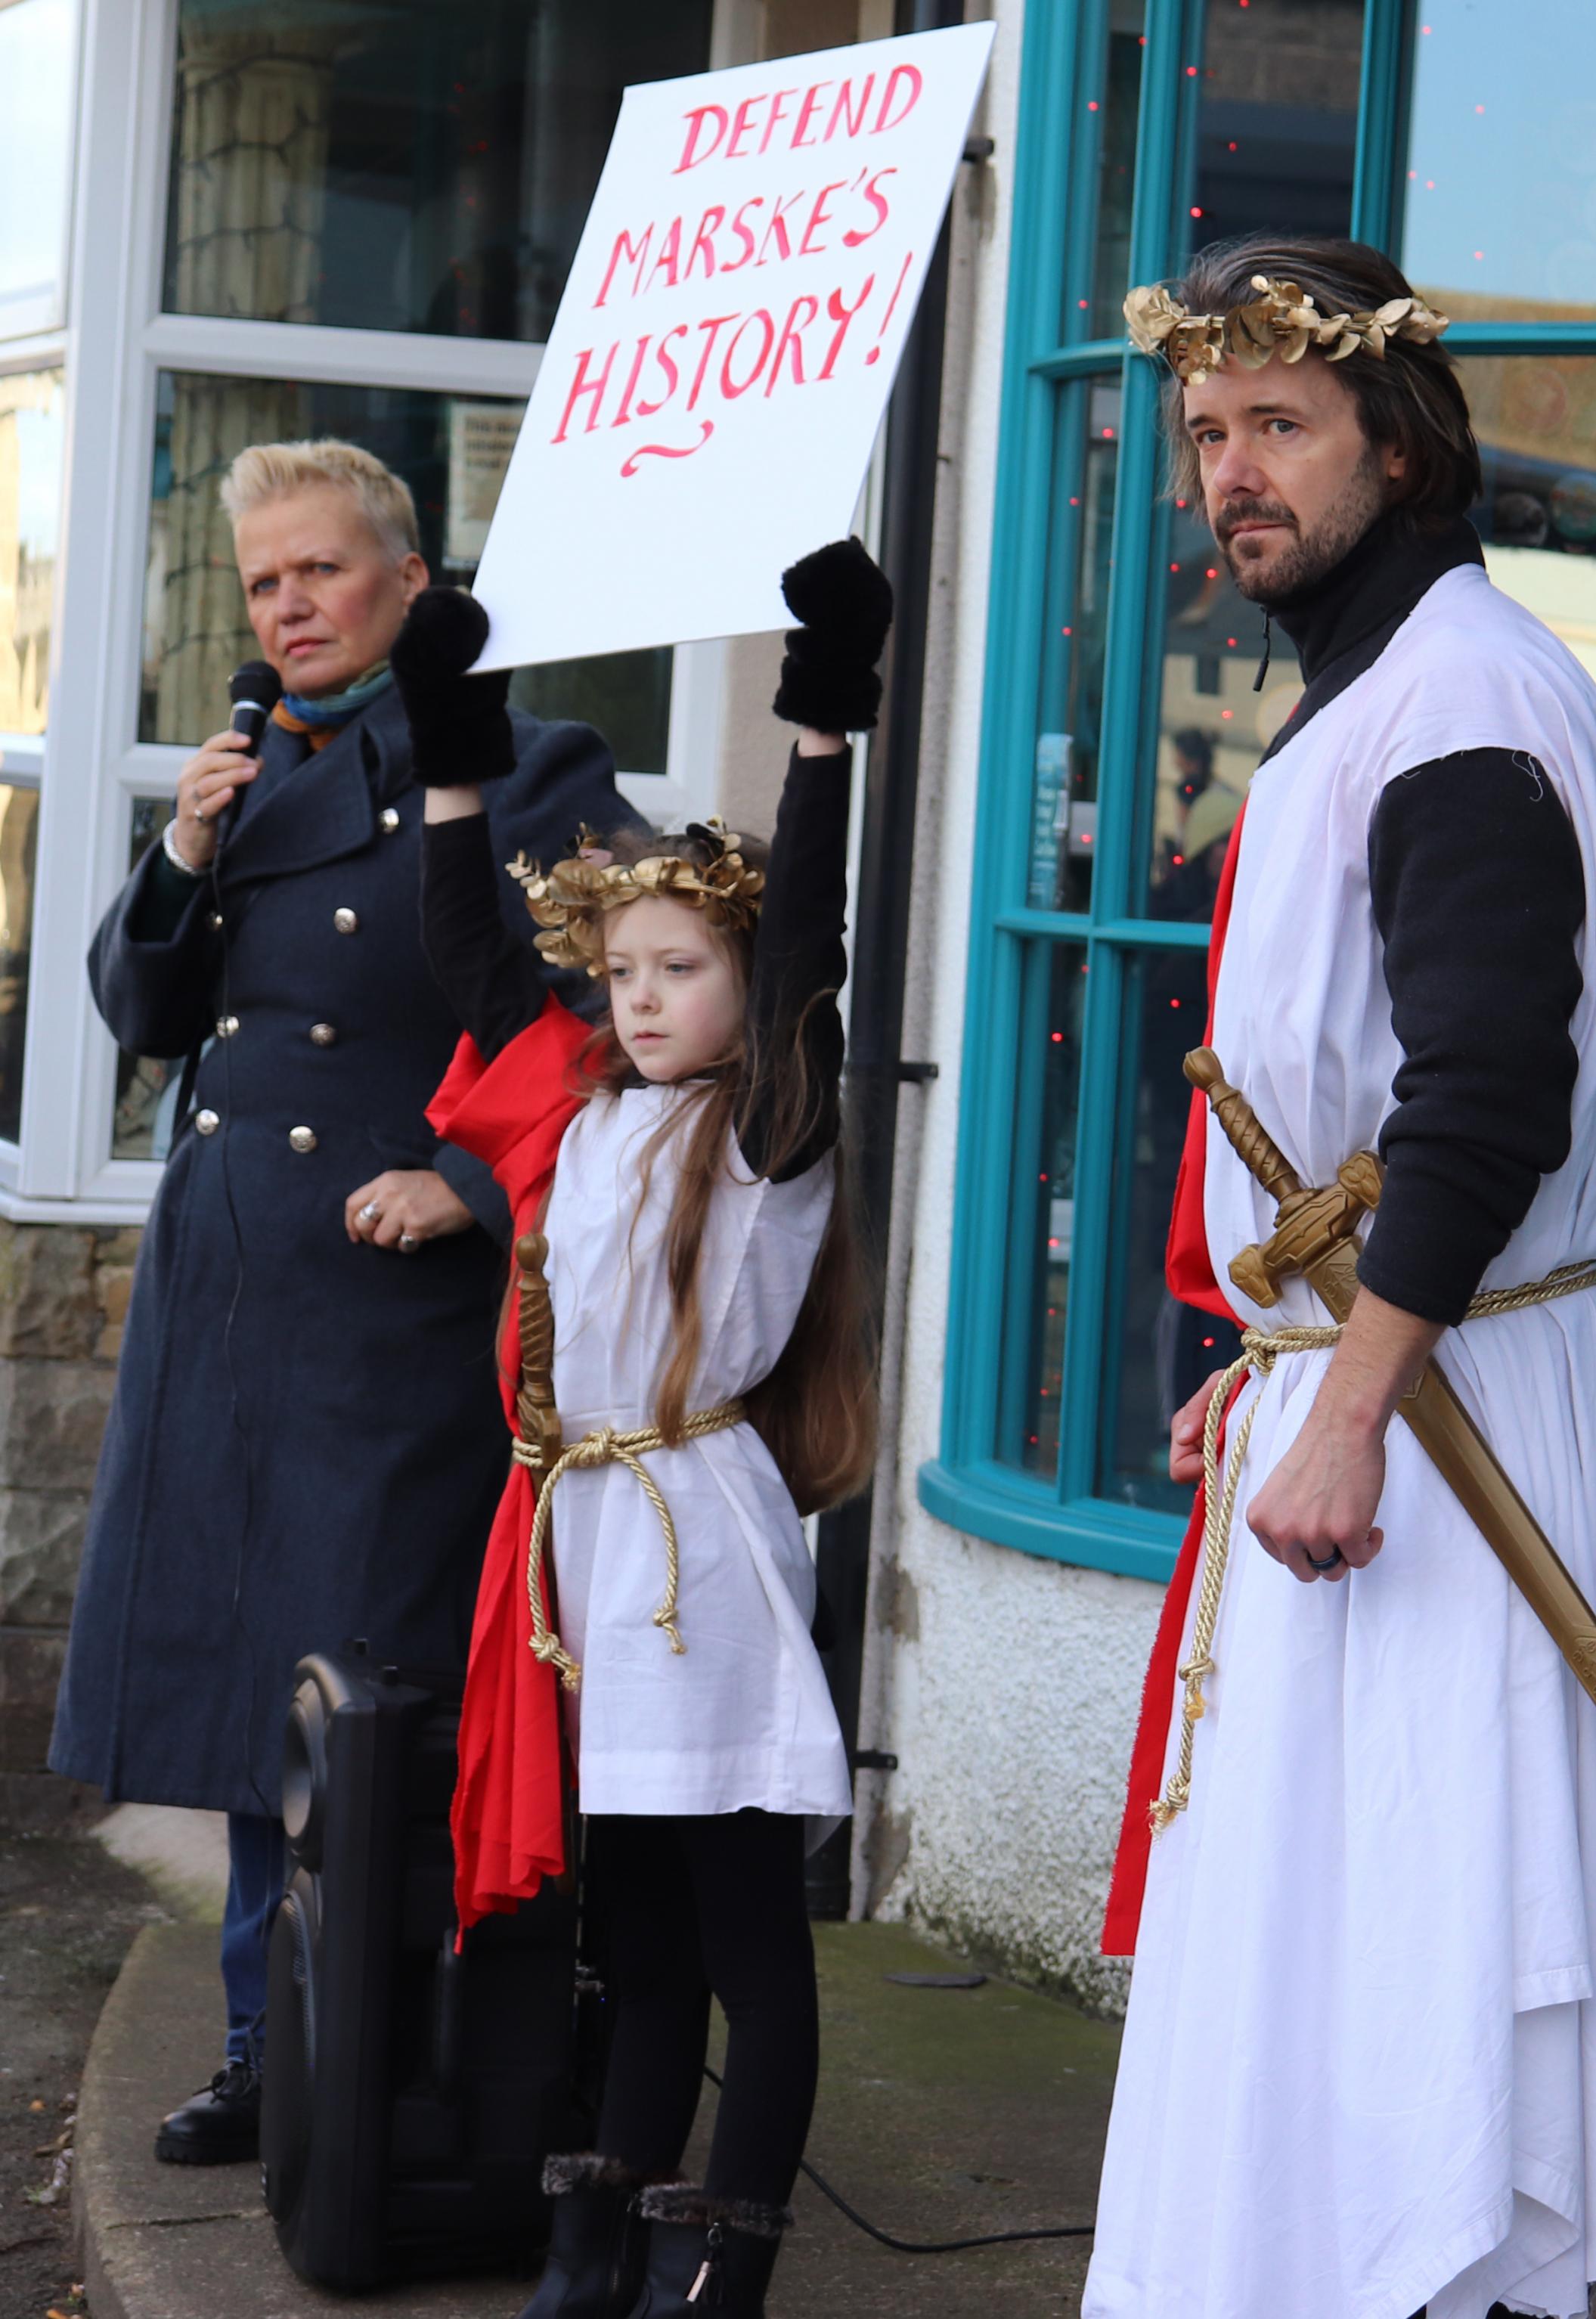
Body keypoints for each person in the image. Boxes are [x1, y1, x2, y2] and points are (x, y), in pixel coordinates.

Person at [1086, 240, 1596, 2319]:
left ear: (1400, 440)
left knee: (1418, 1982)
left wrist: (1353, 1399)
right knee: (1349, 1966)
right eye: (1207, 435)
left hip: (1463, 1431)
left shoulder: (1462, 706)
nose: (1232, 473)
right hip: (1417, 1380)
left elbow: (1486, 1098)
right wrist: (1283, 1358)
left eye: (1278, 426)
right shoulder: (1398, 692)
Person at [49, 440, 640, 2165]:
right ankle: (266, 2043)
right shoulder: (243, 780)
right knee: (254, 1696)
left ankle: (401, 2061)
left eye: (320, 570)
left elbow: (650, 1001)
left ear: (410, 584)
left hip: (391, 1319)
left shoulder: (519, 766)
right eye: (262, 583)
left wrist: (468, 1179)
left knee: (371, 1699)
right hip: (230, 1289)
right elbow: (145, 1014)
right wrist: (180, 849)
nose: (289, 606)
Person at [416, 539, 890, 2319]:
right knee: (639, 1928)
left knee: (750, 1930)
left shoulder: (761, 1125)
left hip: (703, 1539)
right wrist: (450, 740)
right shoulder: (594, 1119)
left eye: (677, 966)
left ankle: (730, 2262)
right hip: (595, 1549)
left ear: (738, 979)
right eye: (620, 969)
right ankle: (595, 2236)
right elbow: (471, 961)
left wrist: (824, 719)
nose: (636, 996)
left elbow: (813, 953)